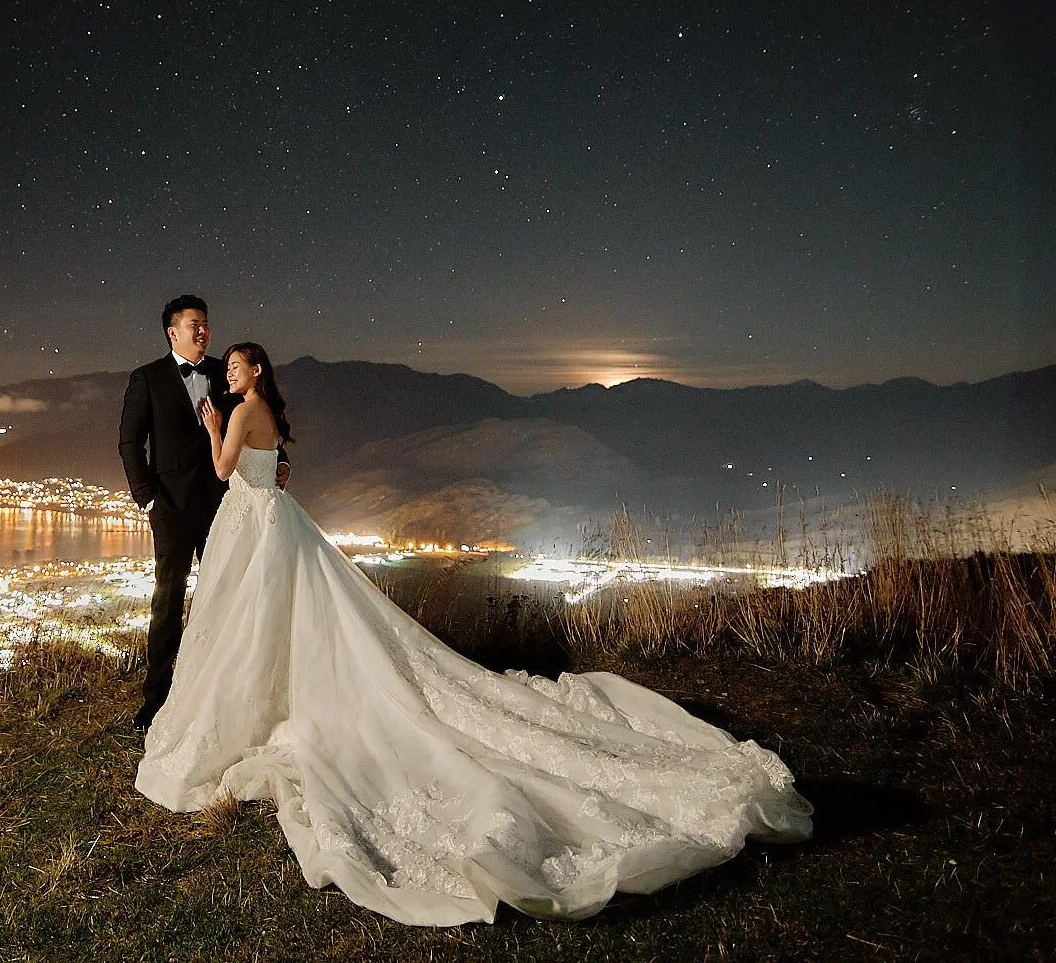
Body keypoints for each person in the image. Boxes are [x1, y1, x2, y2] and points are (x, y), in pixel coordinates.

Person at [135, 341, 813, 927]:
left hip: (253, 524)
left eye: (236, 364)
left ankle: (259, 702)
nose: (227, 370)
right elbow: (275, 468)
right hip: (275, 522)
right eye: (224, 366)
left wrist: (210, 415)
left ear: (257, 371)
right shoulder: (272, 413)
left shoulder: (242, 408)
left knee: (256, 620)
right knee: (279, 618)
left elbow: (227, 469)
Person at [116, 295, 287, 731]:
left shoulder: (223, 374)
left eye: (207, 323)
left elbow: (260, 420)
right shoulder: (147, 378)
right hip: (170, 509)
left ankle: (223, 691)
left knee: (227, 596)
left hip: (223, 506)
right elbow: (130, 443)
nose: (204, 331)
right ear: (173, 332)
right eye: (195, 324)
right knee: (168, 600)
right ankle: (156, 699)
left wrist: (279, 461)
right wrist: (147, 498)